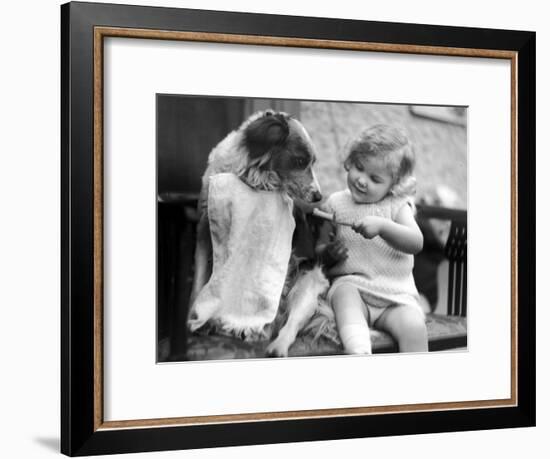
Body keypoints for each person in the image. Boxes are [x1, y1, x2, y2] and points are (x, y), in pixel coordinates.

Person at [316, 124, 427, 354]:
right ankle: (358, 351)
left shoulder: (396, 206)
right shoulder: (336, 203)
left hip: (394, 297)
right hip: (354, 288)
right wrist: (328, 254)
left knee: (415, 327)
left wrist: (384, 227)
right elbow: (319, 249)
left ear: (394, 185)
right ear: (351, 160)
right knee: (344, 294)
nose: (362, 180)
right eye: (359, 167)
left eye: (375, 179)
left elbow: (416, 242)